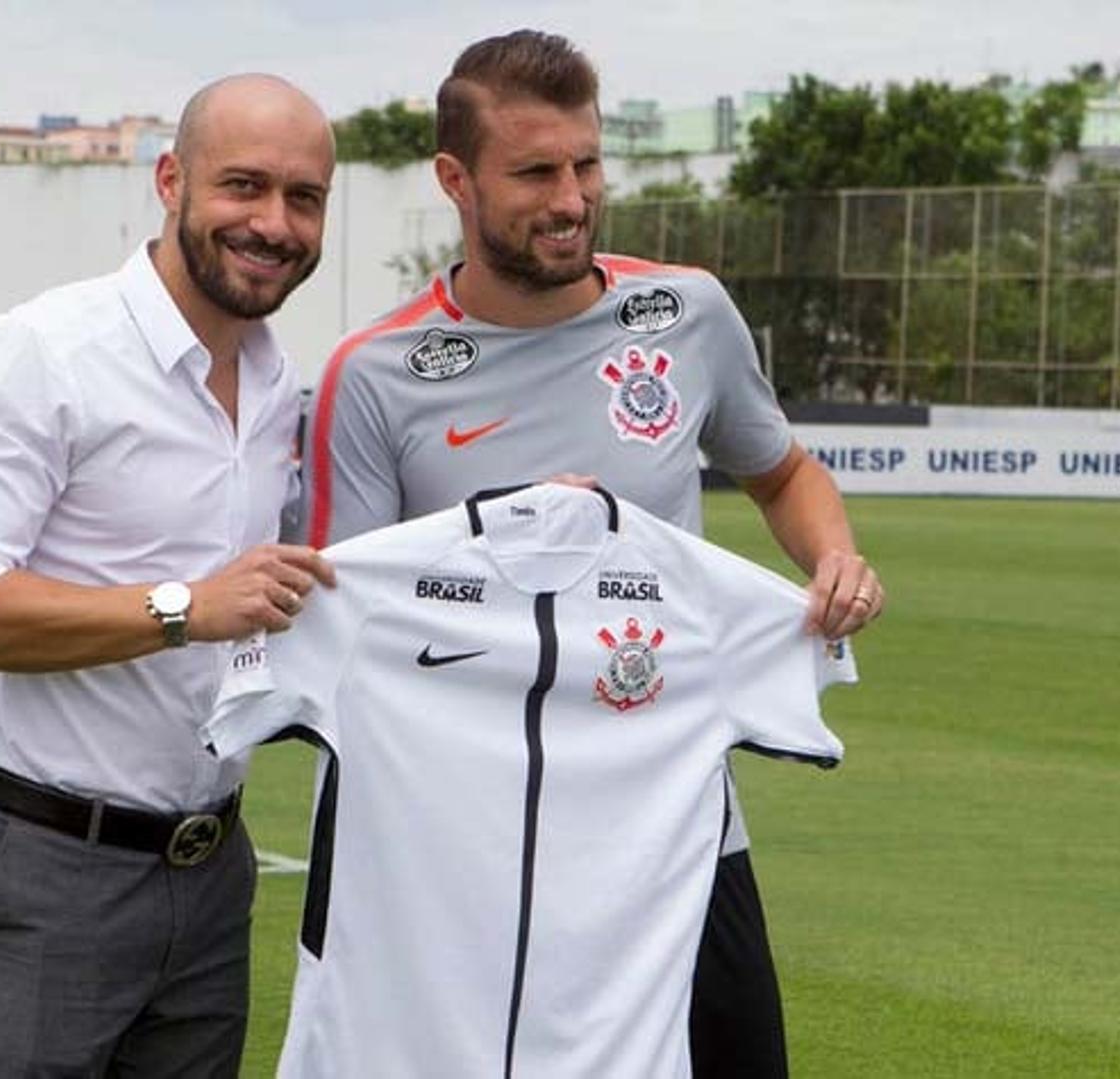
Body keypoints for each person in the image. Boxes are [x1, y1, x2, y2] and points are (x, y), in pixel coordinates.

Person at [301, 31, 884, 1078]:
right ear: (455, 179)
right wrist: (511, 537)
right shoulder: (376, 376)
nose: (571, 198)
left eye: (586, 165)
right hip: (466, 845)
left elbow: (784, 471)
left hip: (674, 825)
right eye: (534, 172)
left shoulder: (687, 314)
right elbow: (347, 632)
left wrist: (833, 556)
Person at [0, 73, 336, 1077]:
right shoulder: (44, 351)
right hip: (44, 861)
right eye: (244, 186)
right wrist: (186, 607)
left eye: (304, 197)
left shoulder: (280, 381)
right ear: (171, 180)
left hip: (212, 865)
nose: (273, 223)